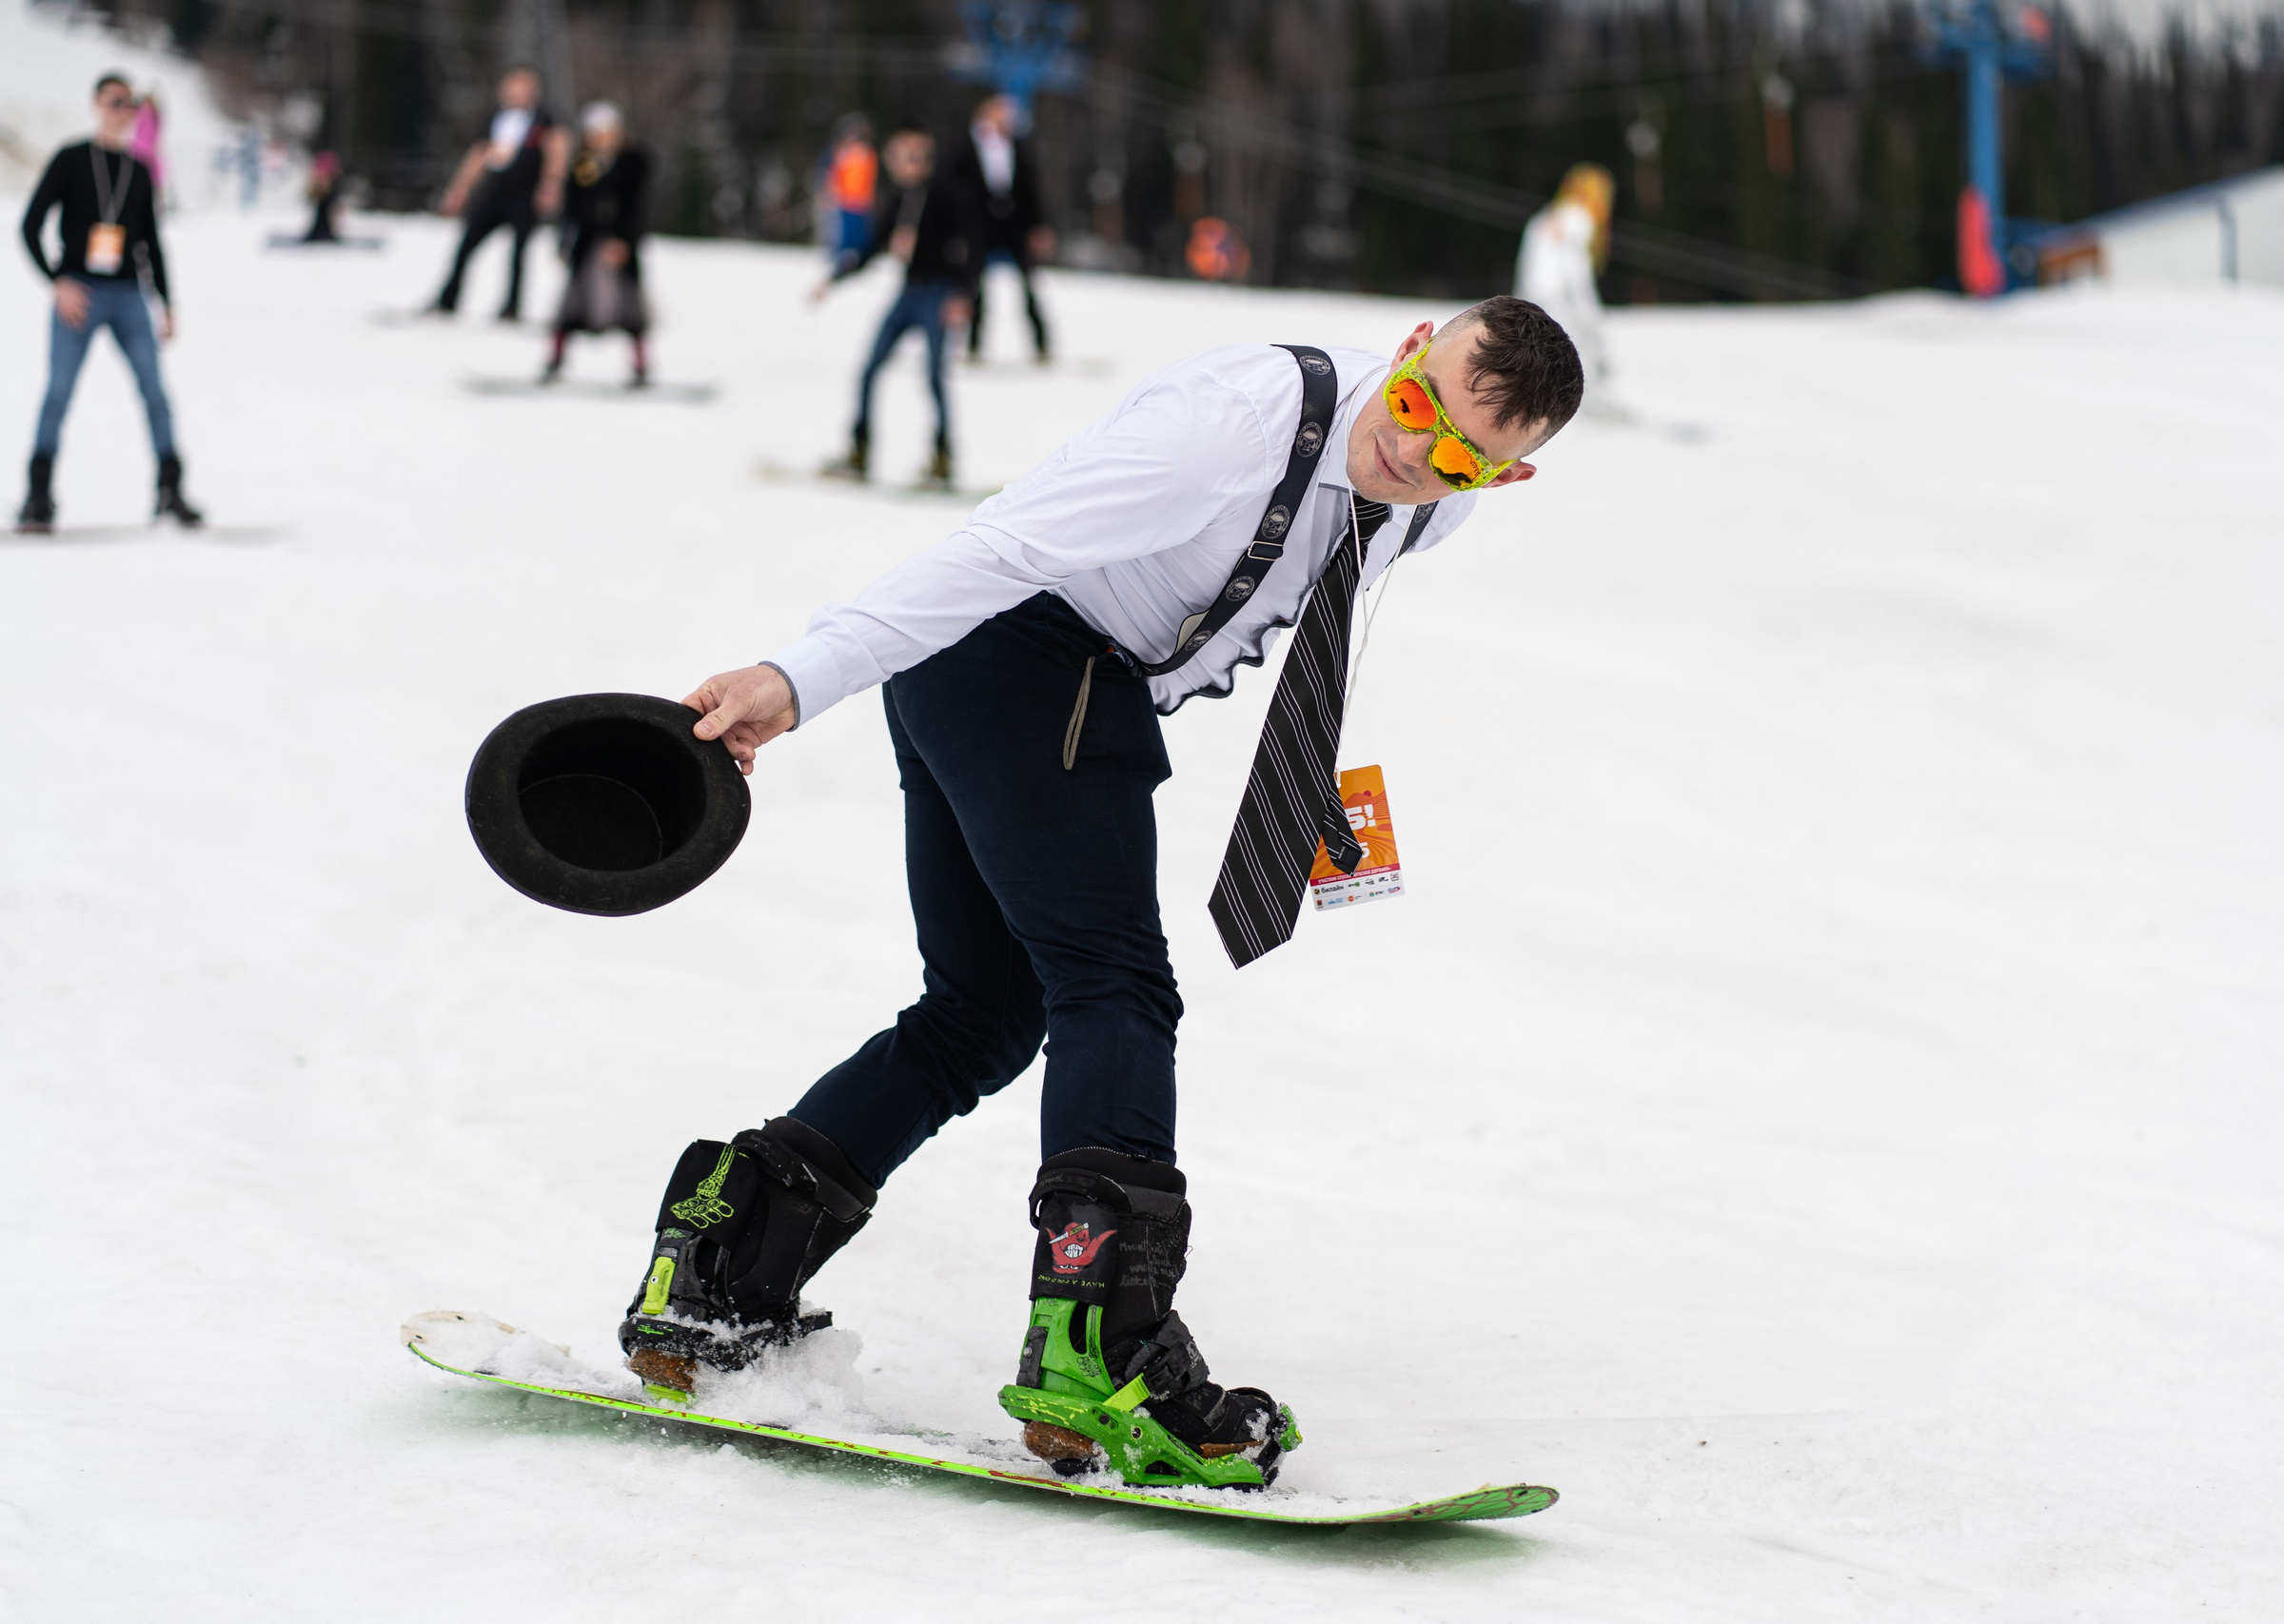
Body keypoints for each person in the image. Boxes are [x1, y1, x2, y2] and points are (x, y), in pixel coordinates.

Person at [619, 296, 1583, 1489]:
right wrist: (796, 678)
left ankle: (716, 1272)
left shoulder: (1430, 513)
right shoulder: (1234, 418)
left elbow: (1333, 595)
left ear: (1508, 474)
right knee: (1114, 987)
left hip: (1039, 683)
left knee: (986, 1010)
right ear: (1408, 348)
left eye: (1455, 458)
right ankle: (1100, 1354)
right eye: (1411, 404)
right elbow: (999, 549)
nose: (1409, 451)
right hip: (1022, 650)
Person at [16, 71, 201, 533]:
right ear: (97, 104)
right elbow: (30, 226)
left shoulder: (139, 171)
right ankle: (39, 495)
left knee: (155, 391)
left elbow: (152, 243)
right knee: (58, 392)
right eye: (115, 101)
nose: (122, 111)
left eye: (130, 104)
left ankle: (170, 489)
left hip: (127, 294)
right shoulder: (72, 159)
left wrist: (167, 302)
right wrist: (57, 281)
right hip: (79, 290)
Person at [817, 127, 978, 490]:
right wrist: (835, 278)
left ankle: (942, 459)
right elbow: (874, 245)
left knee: (934, 376)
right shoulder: (901, 197)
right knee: (870, 369)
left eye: (910, 155)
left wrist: (963, 296)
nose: (903, 164)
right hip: (909, 291)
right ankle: (859, 451)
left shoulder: (949, 193)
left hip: (939, 292)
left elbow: (972, 248)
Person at [428, 67, 570, 322]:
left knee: (518, 253)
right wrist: (459, 189)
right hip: (494, 191)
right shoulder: (494, 117)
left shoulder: (545, 118)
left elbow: (557, 148)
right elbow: (478, 155)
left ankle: (511, 306)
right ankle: (448, 299)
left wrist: (551, 184)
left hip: (525, 194)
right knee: (467, 244)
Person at [542, 103, 651, 387]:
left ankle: (640, 367)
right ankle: (554, 361)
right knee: (571, 306)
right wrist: (565, 242)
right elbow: (574, 208)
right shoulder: (584, 164)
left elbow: (635, 208)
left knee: (630, 309)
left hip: (620, 246)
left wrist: (623, 241)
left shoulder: (633, 164)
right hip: (587, 244)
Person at [945, 93, 1053, 363]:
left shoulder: (1018, 147)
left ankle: (1041, 343)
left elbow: (1030, 191)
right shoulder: (966, 147)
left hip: (1013, 223)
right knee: (975, 284)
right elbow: (953, 188)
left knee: (1028, 283)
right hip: (979, 225)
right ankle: (974, 344)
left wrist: (1038, 226)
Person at [1514, 163, 1612, 390]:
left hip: (1535, 301)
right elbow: (1575, 273)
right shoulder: (1578, 219)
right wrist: (1590, 312)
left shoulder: (1547, 216)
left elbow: (1526, 266)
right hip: (1560, 304)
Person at [819, 113, 877, 276]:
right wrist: (829, 190)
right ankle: (839, 259)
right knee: (843, 232)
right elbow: (831, 173)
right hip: (845, 200)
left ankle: (860, 260)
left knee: (861, 234)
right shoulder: (841, 151)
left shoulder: (867, 152)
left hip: (863, 200)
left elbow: (870, 176)